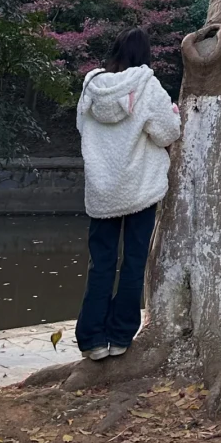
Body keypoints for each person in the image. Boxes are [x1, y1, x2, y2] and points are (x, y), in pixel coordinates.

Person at [75, 27, 180, 361]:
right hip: (139, 190)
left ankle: (92, 339)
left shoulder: (91, 86)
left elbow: (82, 127)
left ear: (116, 51)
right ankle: (120, 336)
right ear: (145, 53)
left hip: (102, 189)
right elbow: (167, 132)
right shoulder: (148, 86)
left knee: (101, 263)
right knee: (134, 263)